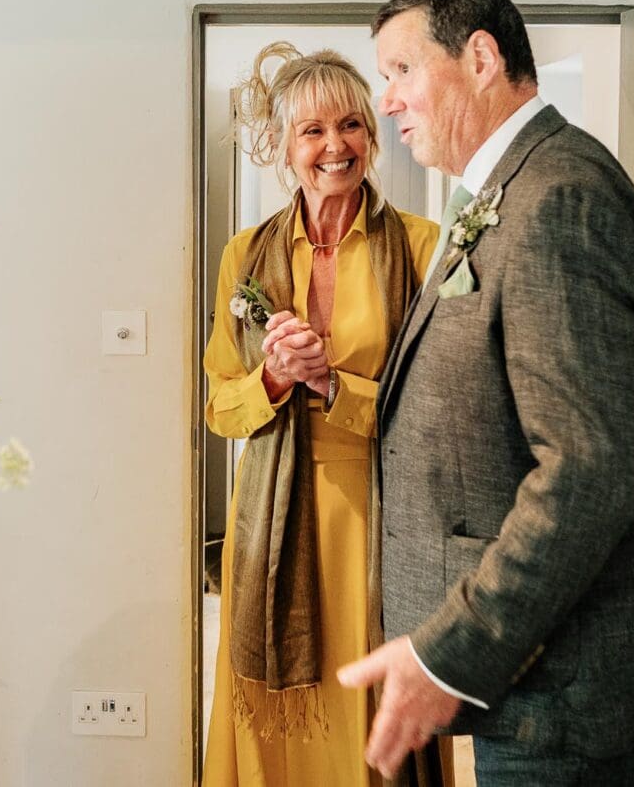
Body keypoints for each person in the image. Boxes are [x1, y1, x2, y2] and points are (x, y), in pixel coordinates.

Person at [339, 0, 634, 785]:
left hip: (577, 691)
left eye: (401, 71)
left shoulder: (558, 200)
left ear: (479, 56)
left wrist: (452, 651)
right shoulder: (506, 188)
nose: (389, 100)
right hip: (540, 683)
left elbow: (589, 469)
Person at [202, 42, 440, 786]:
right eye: (312, 130)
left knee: (361, 706)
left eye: (349, 125)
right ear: (284, 146)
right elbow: (219, 406)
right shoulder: (245, 256)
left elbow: (435, 409)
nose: (333, 146)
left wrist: (334, 387)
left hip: (374, 514)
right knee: (276, 718)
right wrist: (273, 378)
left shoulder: (423, 248)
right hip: (265, 522)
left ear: (372, 134)